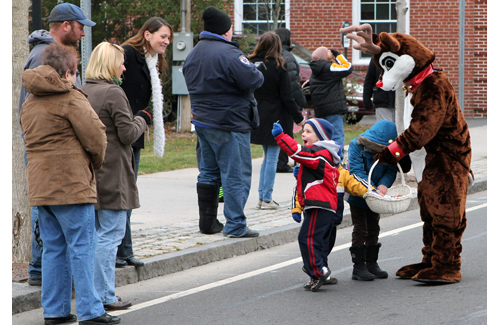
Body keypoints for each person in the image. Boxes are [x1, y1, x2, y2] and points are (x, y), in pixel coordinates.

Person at [20, 43, 120, 325]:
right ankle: (91, 310)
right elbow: (97, 138)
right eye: (75, 73)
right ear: (66, 73)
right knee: (82, 246)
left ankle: (55, 310)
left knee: (53, 249)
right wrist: (94, 165)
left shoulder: (30, 101)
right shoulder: (72, 99)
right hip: (72, 184)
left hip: (41, 185)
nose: (76, 78)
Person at [17, 2, 96, 287]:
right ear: (65, 25)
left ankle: (54, 300)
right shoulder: (45, 58)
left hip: (44, 156)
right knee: (69, 239)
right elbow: (38, 112)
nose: (83, 34)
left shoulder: (44, 53)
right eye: (80, 27)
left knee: (53, 233)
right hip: (56, 162)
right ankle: (44, 274)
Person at [182, 6, 264, 237]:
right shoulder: (229, 53)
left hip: (203, 123)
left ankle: (207, 223)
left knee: (208, 172)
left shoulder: (194, 53)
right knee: (235, 174)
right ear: (225, 31)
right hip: (230, 123)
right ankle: (236, 225)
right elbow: (253, 78)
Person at [82, 42, 151, 311]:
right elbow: (128, 134)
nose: (124, 67)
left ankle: (94, 292)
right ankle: (105, 295)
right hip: (114, 173)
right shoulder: (114, 93)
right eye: (121, 62)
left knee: (95, 236)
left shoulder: (84, 90)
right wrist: (143, 118)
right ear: (110, 64)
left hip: (92, 172)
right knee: (111, 236)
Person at [117, 17, 173, 268]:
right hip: (120, 133)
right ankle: (119, 251)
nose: (167, 41)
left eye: (169, 38)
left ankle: (125, 250)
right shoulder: (127, 54)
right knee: (121, 195)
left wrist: (146, 116)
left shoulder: (154, 62)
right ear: (147, 34)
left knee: (129, 194)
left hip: (135, 133)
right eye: (163, 36)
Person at [272, 118, 341, 292]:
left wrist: (281, 136)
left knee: (307, 238)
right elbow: (312, 181)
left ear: (321, 137)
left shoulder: (319, 152)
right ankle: (318, 270)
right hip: (322, 204)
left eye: (309, 131)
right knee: (316, 241)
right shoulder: (324, 154)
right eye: (303, 131)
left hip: (320, 204)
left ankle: (318, 271)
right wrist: (301, 175)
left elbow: (295, 151)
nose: (303, 134)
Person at [291, 161, 379, 287]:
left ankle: (322, 269)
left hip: (332, 220)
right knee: (315, 246)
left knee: (326, 247)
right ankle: (317, 272)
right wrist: (296, 209)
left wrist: (371, 191)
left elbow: (356, 183)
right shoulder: (312, 171)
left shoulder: (341, 173)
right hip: (315, 219)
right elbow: (299, 189)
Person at [248, 32, 305, 210]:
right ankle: (266, 198)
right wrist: (299, 117)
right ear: (277, 46)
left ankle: (262, 196)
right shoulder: (279, 65)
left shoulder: (251, 63)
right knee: (271, 158)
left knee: (266, 158)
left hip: (256, 114)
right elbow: (287, 96)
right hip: (276, 116)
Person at [347, 120, 398, 281]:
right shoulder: (357, 146)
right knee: (361, 227)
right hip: (358, 194)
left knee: (374, 226)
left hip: (376, 197)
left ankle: (371, 262)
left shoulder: (389, 152)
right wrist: (373, 188)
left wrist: (384, 184)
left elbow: (391, 170)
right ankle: (358, 266)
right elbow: (356, 171)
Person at [308, 46, 352, 160]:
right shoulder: (329, 67)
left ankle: (325, 159)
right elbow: (348, 67)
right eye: (327, 52)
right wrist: (337, 55)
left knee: (323, 136)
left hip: (321, 109)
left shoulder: (315, 70)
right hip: (333, 109)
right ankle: (337, 162)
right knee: (337, 135)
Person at [274, 28, 307, 173]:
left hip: (270, 101)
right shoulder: (288, 57)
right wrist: (301, 103)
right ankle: (281, 163)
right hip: (285, 102)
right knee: (285, 131)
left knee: (274, 131)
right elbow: (294, 84)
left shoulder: (269, 55)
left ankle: (275, 160)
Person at [363, 57, 396, 122]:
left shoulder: (403, 57)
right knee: (385, 128)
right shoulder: (376, 59)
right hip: (382, 100)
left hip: (399, 102)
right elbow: (369, 80)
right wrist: (367, 101)